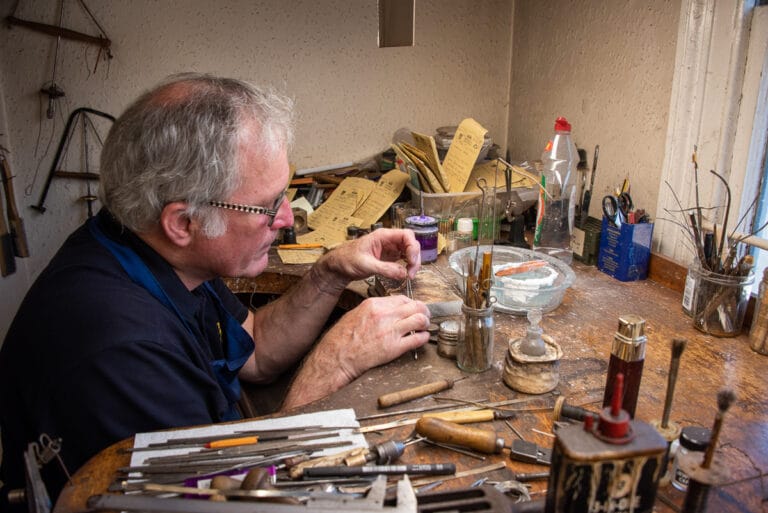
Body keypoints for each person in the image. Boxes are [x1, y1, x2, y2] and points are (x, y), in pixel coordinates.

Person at [0, 73, 431, 508]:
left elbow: (256, 349)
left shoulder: (144, 250)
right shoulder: (123, 354)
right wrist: (335, 360)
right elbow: (239, 497)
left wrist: (328, 273)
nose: (286, 219)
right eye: (267, 206)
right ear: (184, 222)